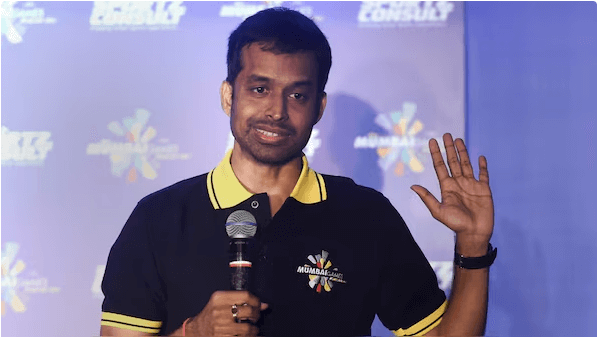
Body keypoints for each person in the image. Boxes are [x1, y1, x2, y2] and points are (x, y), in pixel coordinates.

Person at [99, 7, 495, 337]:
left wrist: (473, 246)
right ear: (228, 95)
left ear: (319, 108)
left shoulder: (366, 216)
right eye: (259, 89)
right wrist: (193, 333)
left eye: (297, 95)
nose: (277, 110)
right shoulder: (159, 218)